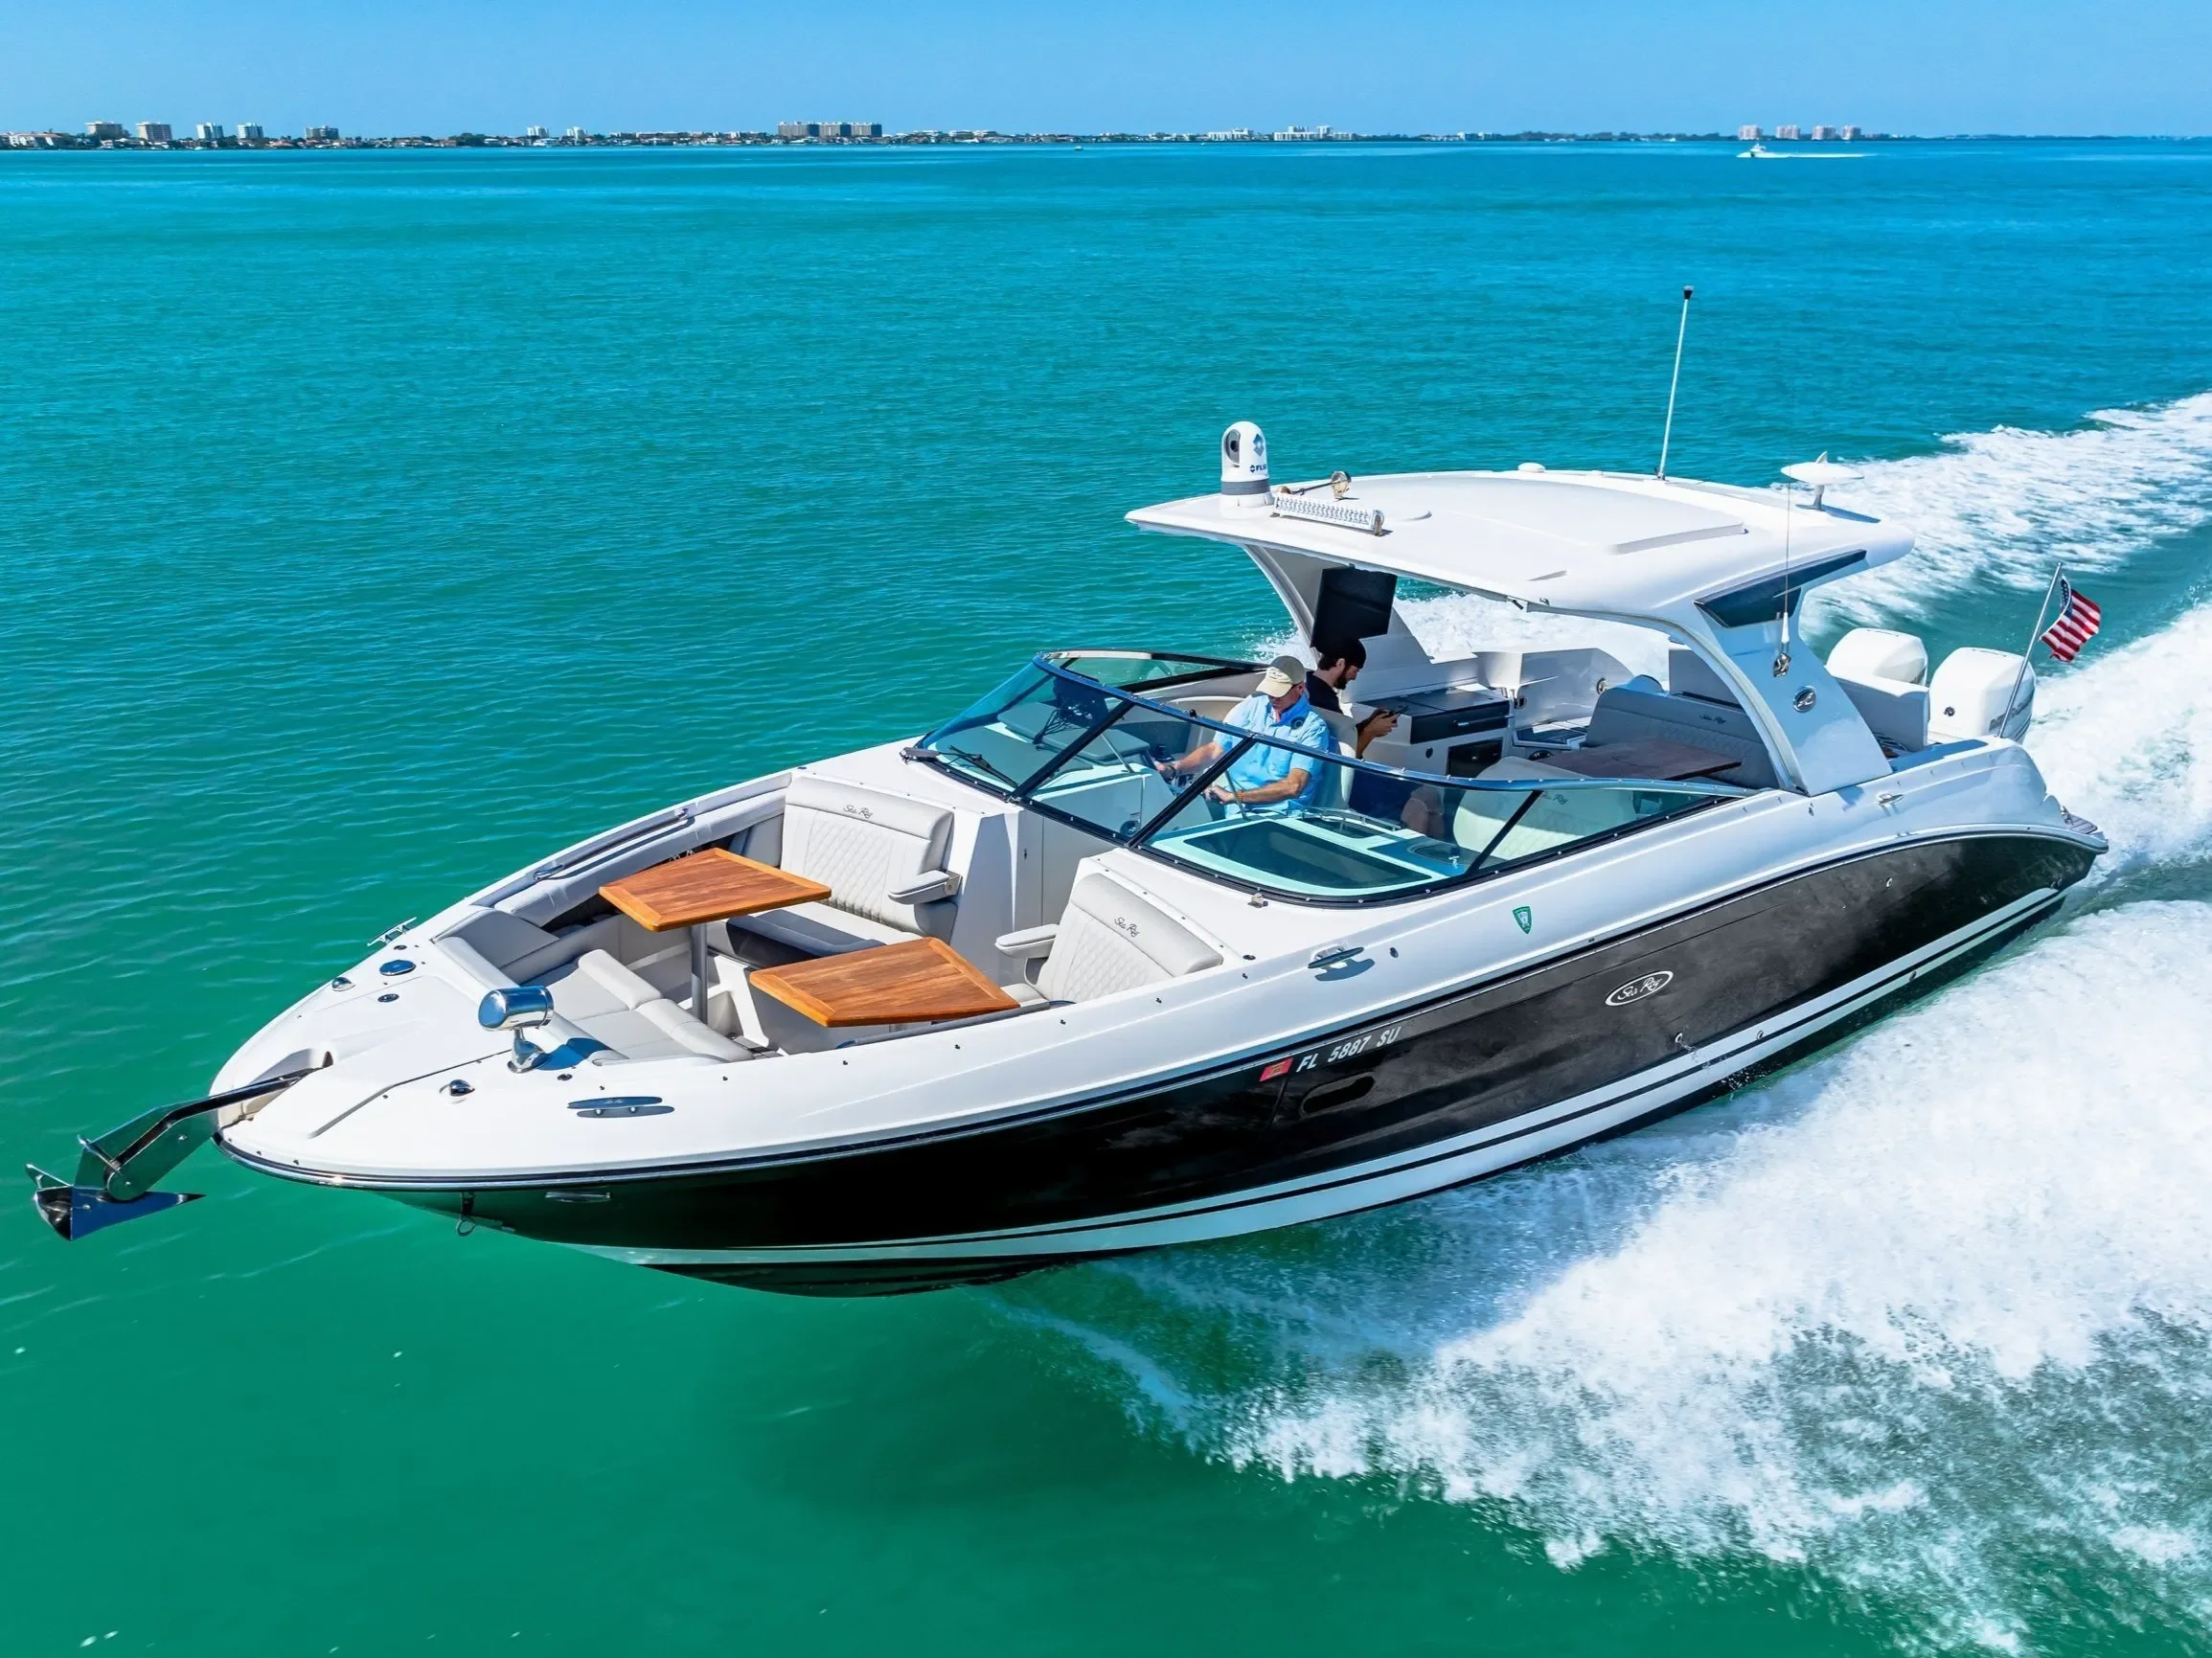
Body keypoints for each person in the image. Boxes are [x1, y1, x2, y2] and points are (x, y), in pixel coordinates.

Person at [1157, 655, 1334, 809]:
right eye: (1270, 692)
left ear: (1300, 688)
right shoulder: (1253, 705)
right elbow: (1215, 750)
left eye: (1279, 693)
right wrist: (1174, 769)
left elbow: (1294, 786)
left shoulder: (1313, 728)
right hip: (1233, 802)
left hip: (1277, 813)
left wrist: (1236, 797)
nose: (1273, 698)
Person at [1306, 638, 1399, 755]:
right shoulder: (1322, 703)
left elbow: (1342, 736)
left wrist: (1368, 723)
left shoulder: (1311, 689)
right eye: (1354, 671)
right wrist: (1370, 732)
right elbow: (1343, 757)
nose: (1354, 678)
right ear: (1340, 664)